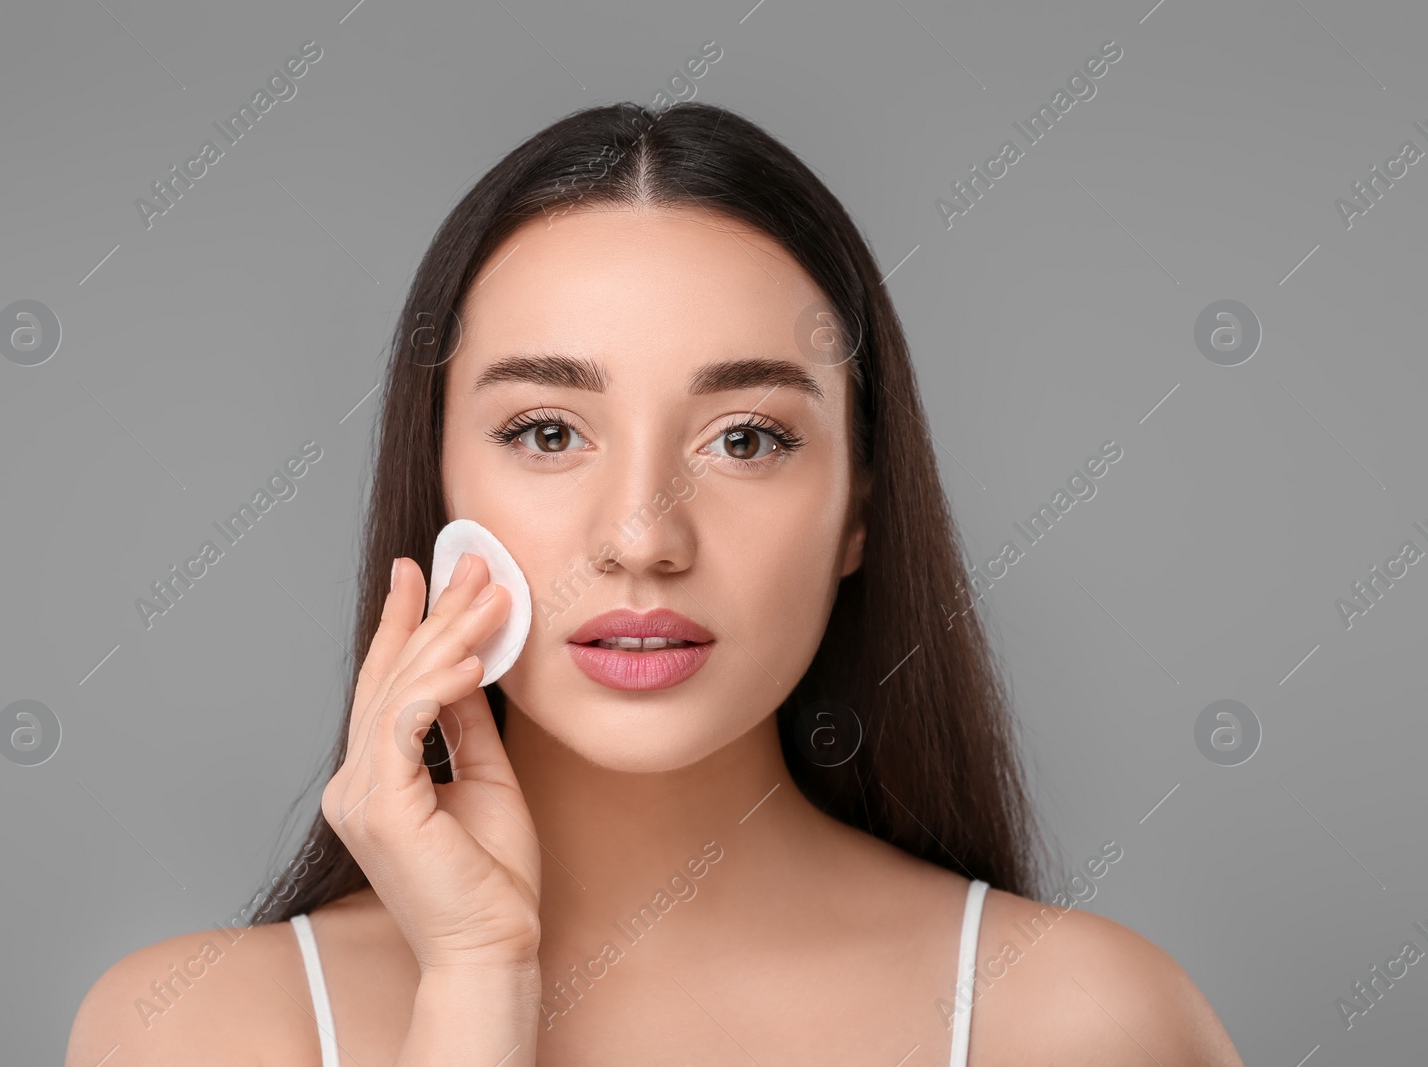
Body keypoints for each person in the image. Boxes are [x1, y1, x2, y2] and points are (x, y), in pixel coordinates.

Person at [67, 100, 1243, 1066]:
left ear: (860, 511)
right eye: (543, 430)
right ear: (437, 489)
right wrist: (477, 982)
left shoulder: (1083, 1023)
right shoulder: (195, 1029)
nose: (640, 538)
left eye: (745, 439)